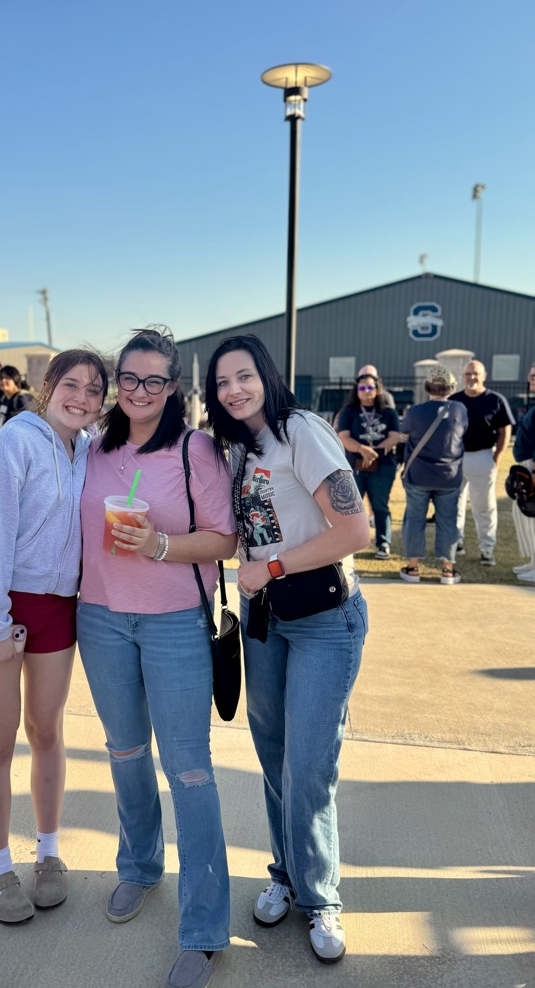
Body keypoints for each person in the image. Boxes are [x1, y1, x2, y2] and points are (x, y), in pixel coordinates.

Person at [77, 327, 237, 988]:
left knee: (189, 770)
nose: (139, 391)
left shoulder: (196, 449)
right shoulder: (94, 447)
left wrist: (162, 546)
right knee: (124, 753)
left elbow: (225, 539)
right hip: (100, 618)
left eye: (154, 380)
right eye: (130, 378)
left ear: (172, 388)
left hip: (174, 623)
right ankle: (139, 867)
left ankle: (202, 928)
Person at [204, 334, 370, 966]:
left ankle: (322, 897)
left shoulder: (302, 431)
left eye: (243, 376)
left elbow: (357, 530)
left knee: (309, 765)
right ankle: (287, 872)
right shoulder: (238, 448)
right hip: (264, 619)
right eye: (222, 382)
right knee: (272, 755)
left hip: (324, 617)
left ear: (266, 377)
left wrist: (270, 566)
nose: (234, 389)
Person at [0, 349, 109, 924]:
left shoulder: (90, 449)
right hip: (0, 604)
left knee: (48, 731)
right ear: (47, 388)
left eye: (95, 390)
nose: (82, 398)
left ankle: (49, 852)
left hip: (57, 607)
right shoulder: (17, 441)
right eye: (72, 385)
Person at [399, 366, 467, 584]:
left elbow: (405, 433)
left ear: (427, 386)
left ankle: (413, 568)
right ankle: (447, 569)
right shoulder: (460, 409)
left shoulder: (415, 411)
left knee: (414, 519)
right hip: (449, 475)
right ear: (452, 386)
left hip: (419, 474)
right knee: (448, 521)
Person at [449, 359, 513, 566]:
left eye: (475, 373)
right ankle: (456, 542)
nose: (472, 378)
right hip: (456, 458)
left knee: (483, 506)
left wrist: (497, 457)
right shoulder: (454, 400)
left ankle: (487, 548)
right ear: (463, 377)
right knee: (453, 503)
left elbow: (505, 431)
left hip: (483, 456)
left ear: (484, 376)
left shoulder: (495, 400)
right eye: (468, 374)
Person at [336, 374, 402, 558]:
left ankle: (383, 544)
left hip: (383, 466)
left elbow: (394, 436)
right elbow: (344, 436)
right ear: (356, 391)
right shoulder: (348, 412)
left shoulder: (389, 412)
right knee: (351, 506)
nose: (366, 392)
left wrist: (373, 453)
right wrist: (362, 450)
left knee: (380, 505)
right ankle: (349, 544)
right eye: (362, 388)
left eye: (370, 387)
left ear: (378, 389)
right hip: (355, 465)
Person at [511, 364, 535, 581]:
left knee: (531, 512)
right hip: (526, 463)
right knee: (523, 513)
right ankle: (533, 561)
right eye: (531, 377)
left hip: (533, 465)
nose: (532, 381)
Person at [0, 365, 36, 429]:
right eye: (0, 378)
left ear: (15, 379)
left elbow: (30, 422)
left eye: (7, 378)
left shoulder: (22, 398)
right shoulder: (3, 399)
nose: (3, 381)